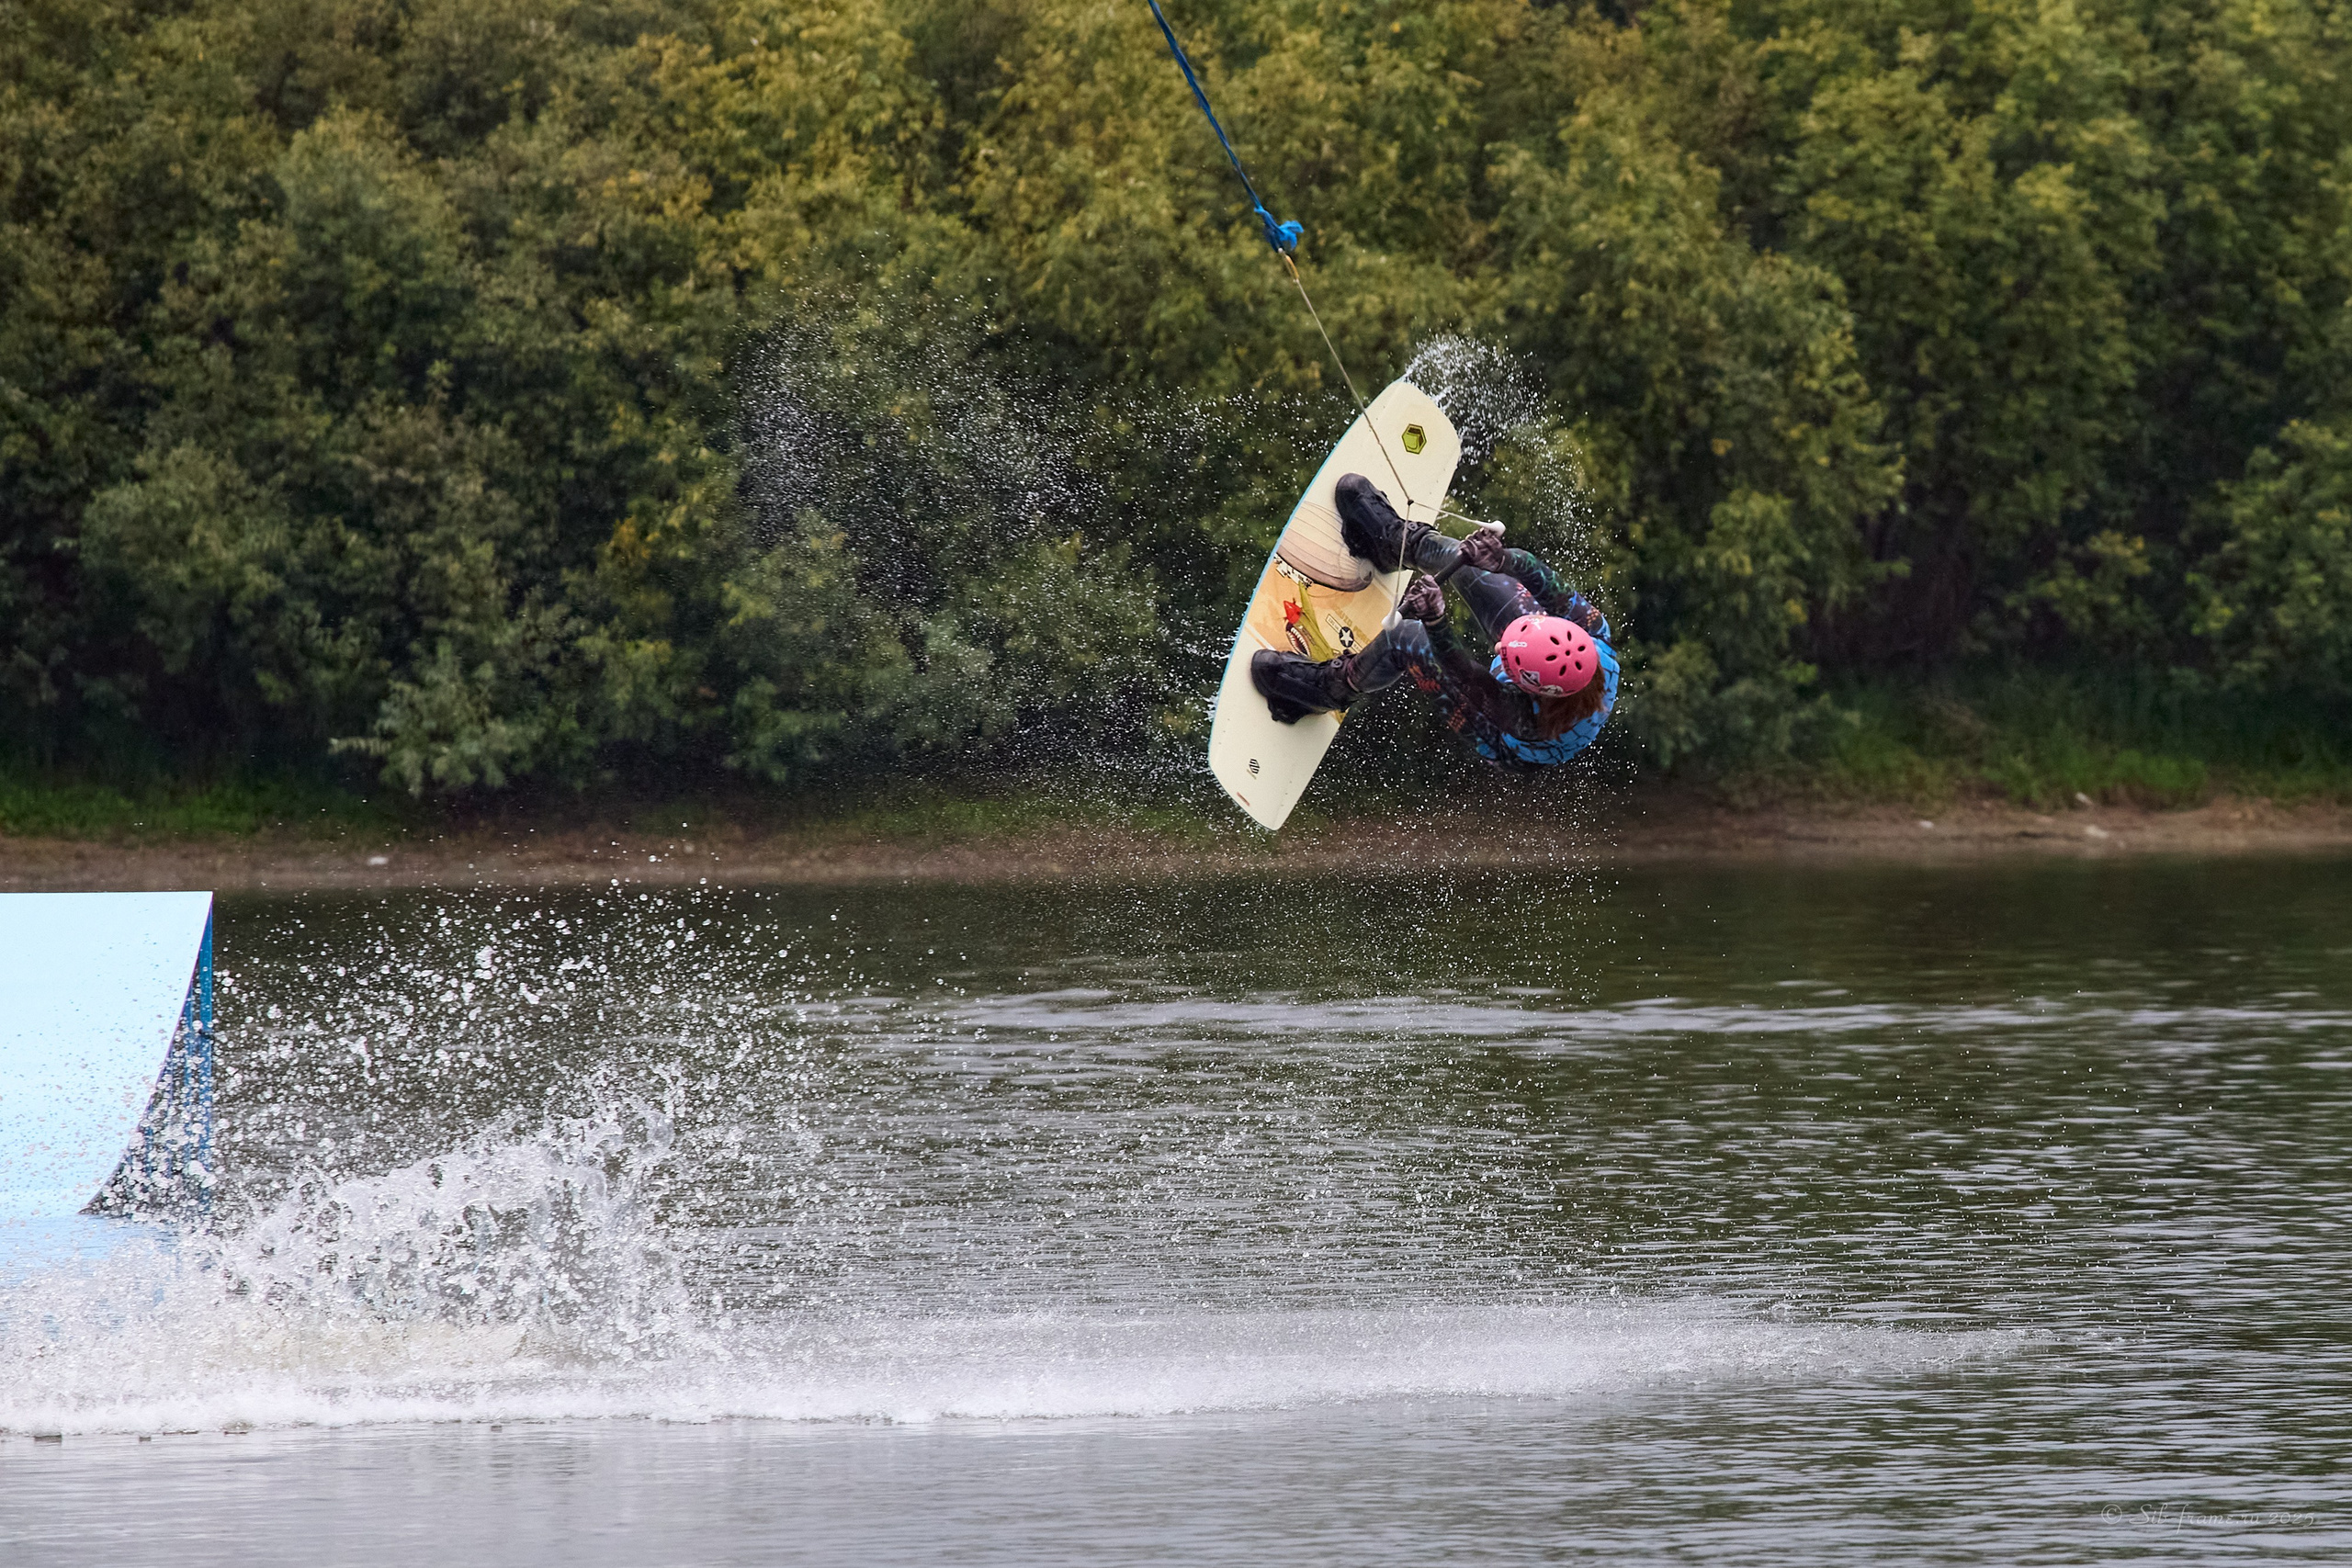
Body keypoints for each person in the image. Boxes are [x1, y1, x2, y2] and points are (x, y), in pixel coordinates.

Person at [1251, 473, 1619, 768]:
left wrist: (1437, 621)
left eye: (1504, 655)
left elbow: (1466, 675)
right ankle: (1393, 542)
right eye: (1507, 641)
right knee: (1469, 563)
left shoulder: (1527, 722)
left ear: (1528, 686)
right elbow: (1536, 573)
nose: (1496, 645)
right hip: (1546, 670)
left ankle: (1327, 690)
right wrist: (1500, 559)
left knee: (1408, 637)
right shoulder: (1590, 629)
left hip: (1503, 741)